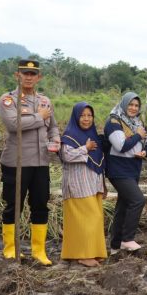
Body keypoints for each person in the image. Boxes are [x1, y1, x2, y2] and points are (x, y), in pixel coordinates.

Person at [0, 59, 59, 266]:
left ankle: (39, 251)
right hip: (16, 162)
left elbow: (53, 127)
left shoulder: (45, 101)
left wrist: (56, 140)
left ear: (39, 77)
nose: (29, 77)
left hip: (41, 162)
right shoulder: (9, 100)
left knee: (40, 204)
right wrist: (39, 117)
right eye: (25, 73)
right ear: (18, 75)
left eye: (33, 74)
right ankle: (10, 249)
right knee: (14, 205)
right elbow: (14, 124)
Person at [59, 102, 107, 267]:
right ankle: (84, 254)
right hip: (77, 184)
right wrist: (84, 148)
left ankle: (93, 252)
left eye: (89, 115)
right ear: (76, 117)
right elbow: (66, 156)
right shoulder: (69, 135)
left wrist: (103, 185)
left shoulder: (94, 135)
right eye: (83, 115)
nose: (86, 119)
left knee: (94, 218)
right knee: (88, 219)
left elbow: (99, 162)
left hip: (93, 184)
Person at [104, 92, 147, 253]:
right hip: (118, 168)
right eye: (130, 104)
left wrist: (145, 151)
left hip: (133, 168)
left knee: (123, 206)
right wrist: (138, 135)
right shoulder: (113, 121)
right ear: (124, 104)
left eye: (136, 105)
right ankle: (127, 239)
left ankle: (115, 246)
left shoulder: (139, 122)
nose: (133, 108)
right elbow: (121, 146)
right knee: (138, 200)